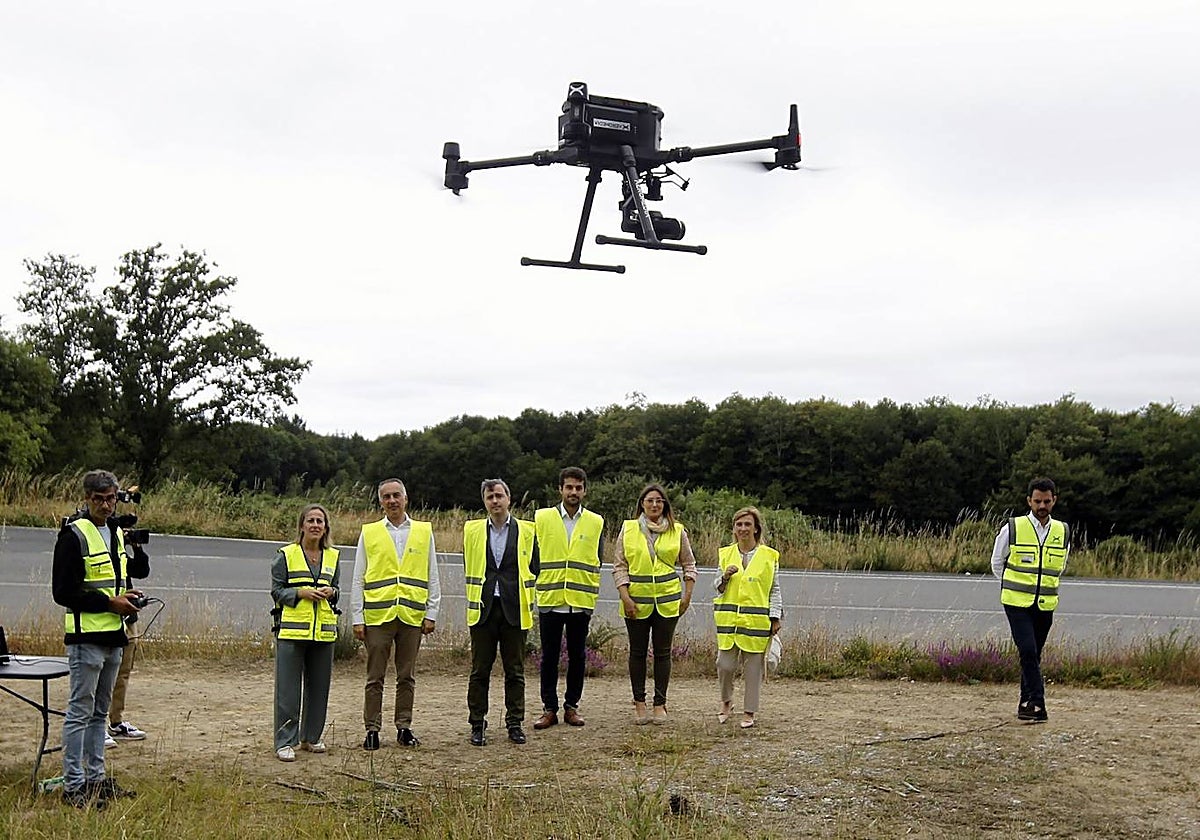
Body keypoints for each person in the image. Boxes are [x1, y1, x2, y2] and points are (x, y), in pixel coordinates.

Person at [51, 470, 147, 808]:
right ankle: (74, 785)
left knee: (99, 713)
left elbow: (117, 579)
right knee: (80, 711)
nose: (106, 505)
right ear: (87, 498)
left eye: (110, 499)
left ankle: (95, 779)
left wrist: (126, 596)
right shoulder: (73, 535)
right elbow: (62, 592)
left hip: (114, 635)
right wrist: (109, 603)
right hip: (86, 637)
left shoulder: (116, 532)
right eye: (99, 499)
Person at [350, 478, 440, 750]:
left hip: (412, 615)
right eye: (386, 497)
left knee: (406, 676)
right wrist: (357, 617)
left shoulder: (423, 531)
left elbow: (432, 574)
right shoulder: (370, 532)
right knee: (374, 677)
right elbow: (358, 577)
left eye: (396, 495)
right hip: (378, 617)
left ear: (405, 498)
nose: (392, 501)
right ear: (381, 502)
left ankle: (404, 727)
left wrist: (431, 612)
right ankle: (372, 730)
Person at [613, 483, 697, 725]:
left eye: (659, 501)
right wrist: (625, 596)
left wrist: (687, 595)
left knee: (663, 653)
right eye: (650, 500)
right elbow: (620, 565)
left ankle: (660, 703)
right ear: (642, 504)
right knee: (637, 652)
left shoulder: (677, 530)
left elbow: (689, 564)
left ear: (665, 505)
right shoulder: (629, 528)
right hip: (636, 602)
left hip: (668, 601)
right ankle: (639, 703)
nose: (654, 504)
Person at [464, 479, 539, 746]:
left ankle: (515, 723)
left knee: (515, 671)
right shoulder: (472, 530)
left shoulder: (527, 530)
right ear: (484, 501)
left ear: (508, 498)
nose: (495, 501)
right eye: (489, 497)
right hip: (483, 609)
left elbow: (535, 566)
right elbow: (470, 564)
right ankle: (477, 724)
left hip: (514, 608)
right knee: (479, 671)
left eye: (499, 495)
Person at [990, 477, 1070, 723]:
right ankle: (1038, 702)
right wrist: (1012, 584)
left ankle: (1025, 704)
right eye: (1037, 501)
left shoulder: (1062, 531)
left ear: (1054, 500)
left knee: (1034, 654)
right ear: (1029, 501)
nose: (1042, 506)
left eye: (1046, 501)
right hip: (1016, 602)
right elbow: (997, 562)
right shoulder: (1013, 528)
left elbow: (1061, 566)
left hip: (1045, 603)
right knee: (1026, 649)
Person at [532, 467, 604, 730]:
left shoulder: (596, 522)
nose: (573, 492)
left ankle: (571, 706)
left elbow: (597, 559)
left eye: (578, 488)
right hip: (550, 598)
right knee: (549, 657)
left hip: (580, 600)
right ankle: (549, 709)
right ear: (560, 489)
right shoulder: (542, 518)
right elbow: (534, 558)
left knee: (578, 657)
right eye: (569, 487)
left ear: (584, 490)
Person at [271, 504, 340, 761]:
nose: (315, 525)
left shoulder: (333, 556)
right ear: (302, 525)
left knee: (319, 689)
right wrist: (300, 593)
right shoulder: (286, 555)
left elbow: (337, 589)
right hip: (292, 631)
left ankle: (311, 737)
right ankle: (285, 741)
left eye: (320, 521)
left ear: (326, 527)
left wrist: (332, 592)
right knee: (288, 692)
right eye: (310, 520)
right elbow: (277, 591)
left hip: (323, 633)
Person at [713, 507, 782, 729]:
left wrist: (775, 617)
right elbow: (717, 587)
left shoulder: (769, 556)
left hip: (756, 622)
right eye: (739, 525)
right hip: (729, 623)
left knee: (753, 669)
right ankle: (726, 702)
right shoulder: (725, 554)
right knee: (724, 665)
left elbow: (774, 589)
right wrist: (725, 577)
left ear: (756, 529)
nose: (743, 529)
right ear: (734, 529)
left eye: (747, 524)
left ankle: (749, 711)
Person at [108, 484, 150, 747]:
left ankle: (116, 721)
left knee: (123, 672)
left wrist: (135, 546)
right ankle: (95, 724)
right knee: (103, 673)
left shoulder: (120, 545)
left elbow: (141, 570)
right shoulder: (98, 538)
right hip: (105, 615)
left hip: (128, 615)